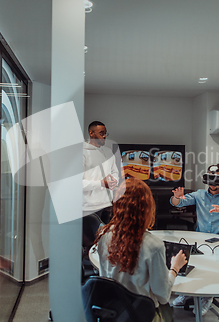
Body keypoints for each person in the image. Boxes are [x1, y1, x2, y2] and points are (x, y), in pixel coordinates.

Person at [94, 178, 187, 322]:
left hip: (112, 314)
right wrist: (175, 267)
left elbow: (104, 279)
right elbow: (163, 296)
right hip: (141, 316)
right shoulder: (154, 245)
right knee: (167, 310)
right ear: (147, 207)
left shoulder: (103, 236)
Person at [169, 163, 219, 315]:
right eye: (209, 179)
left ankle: (207, 297)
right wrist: (176, 198)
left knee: (212, 268)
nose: (212, 184)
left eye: (215, 180)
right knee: (190, 262)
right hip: (200, 239)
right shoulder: (199, 195)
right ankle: (187, 293)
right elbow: (178, 203)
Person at [82, 121, 119, 252]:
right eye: (101, 133)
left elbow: (115, 172)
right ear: (91, 133)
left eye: (105, 133)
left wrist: (114, 181)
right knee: (91, 246)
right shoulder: (82, 153)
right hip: (89, 207)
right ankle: (89, 270)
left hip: (107, 205)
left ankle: (104, 270)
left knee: (107, 243)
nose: (104, 136)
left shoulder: (108, 152)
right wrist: (101, 183)